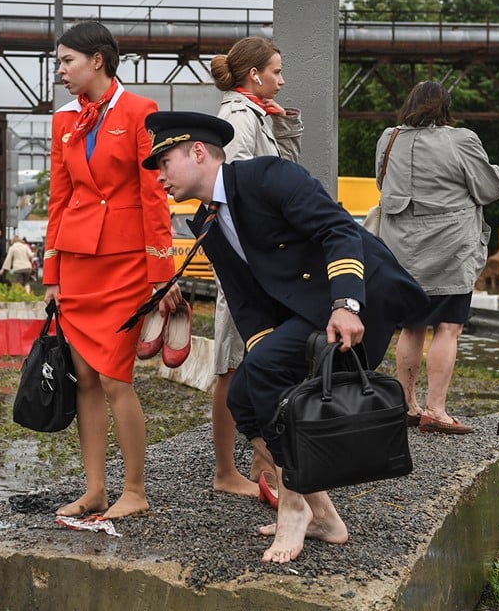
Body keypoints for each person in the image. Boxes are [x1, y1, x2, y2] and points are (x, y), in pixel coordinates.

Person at [144, 110, 428, 563]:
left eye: (163, 163)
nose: (159, 177)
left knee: (265, 372)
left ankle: (293, 506)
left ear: (197, 152)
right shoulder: (208, 222)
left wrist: (346, 304)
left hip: (358, 293)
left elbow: (336, 229)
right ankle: (324, 515)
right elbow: (245, 301)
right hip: (310, 306)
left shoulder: (266, 176)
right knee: (244, 398)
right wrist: (261, 357)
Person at [43, 21, 181, 520]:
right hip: (78, 263)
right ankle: (95, 490)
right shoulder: (63, 121)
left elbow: (154, 197)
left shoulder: (141, 112)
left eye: (66, 61)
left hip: (125, 265)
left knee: (115, 377)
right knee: (83, 376)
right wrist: (52, 276)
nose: (59, 71)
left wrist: (162, 273)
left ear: (97, 60)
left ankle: (136, 491)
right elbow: (59, 199)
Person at [376, 81, 499, 434]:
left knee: (411, 325)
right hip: (450, 249)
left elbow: (381, 184)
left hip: (402, 250)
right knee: (448, 326)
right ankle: (436, 409)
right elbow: (489, 189)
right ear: (444, 107)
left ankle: (407, 405)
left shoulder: (389, 138)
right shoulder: (461, 139)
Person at [209, 36, 304, 499]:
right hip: (246, 258)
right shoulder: (237, 117)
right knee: (232, 361)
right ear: (255, 76)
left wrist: (283, 125)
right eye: (277, 72)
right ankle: (228, 472)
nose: (282, 81)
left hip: (259, 256)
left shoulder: (255, 114)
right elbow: (241, 186)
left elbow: (284, 172)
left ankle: (258, 464)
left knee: (255, 359)